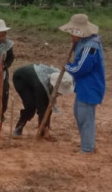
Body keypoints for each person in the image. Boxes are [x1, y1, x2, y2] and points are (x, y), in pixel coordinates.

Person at [60, 13, 105, 154]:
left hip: (90, 86)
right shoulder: (84, 43)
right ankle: (87, 144)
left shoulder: (90, 47)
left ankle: (87, 149)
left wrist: (67, 66)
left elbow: (81, 68)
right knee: (79, 114)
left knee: (86, 118)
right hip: (84, 86)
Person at [11, 64, 74, 140]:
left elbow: (48, 106)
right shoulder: (40, 86)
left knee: (48, 105)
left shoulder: (60, 77)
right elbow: (40, 107)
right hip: (21, 79)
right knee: (31, 106)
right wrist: (46, 129)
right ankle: (19, 127)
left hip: (34, 79)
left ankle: (42, 130)